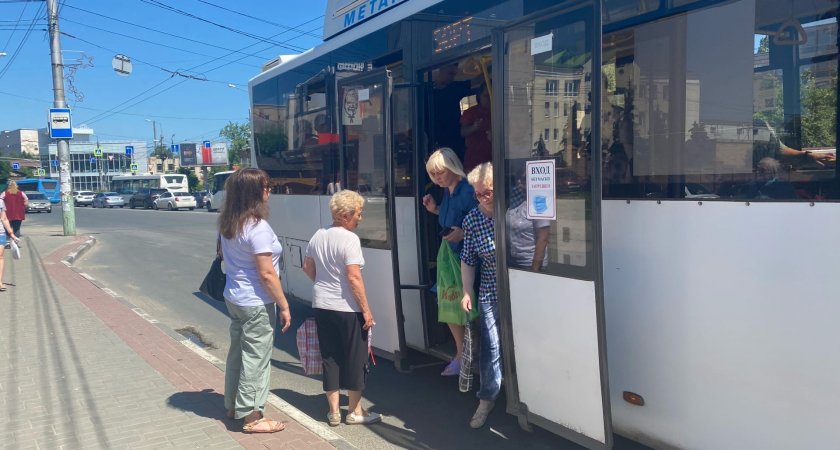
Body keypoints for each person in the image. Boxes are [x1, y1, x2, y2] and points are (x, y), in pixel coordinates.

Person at [218, 168, 292, 434]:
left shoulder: (229, 222)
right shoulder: (258, 226)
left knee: (238, 352)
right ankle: (253, 417)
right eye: (266, 186)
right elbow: (266, 273)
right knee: (256, 358)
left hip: (234, 297)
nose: (269, 190)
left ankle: (233, 405)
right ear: (254, 192)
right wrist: (283, 304)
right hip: (255, 301)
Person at [302, 190, 380, 427]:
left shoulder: (318, 235)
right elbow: (354, 277)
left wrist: (323, 285)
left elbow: (307, 266)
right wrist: (366, 310)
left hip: (322, 305)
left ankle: (334, 412)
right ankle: (355, 411)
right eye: (358, 213)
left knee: (331, 357)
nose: (360, 218)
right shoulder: (349, 239)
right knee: (356, 358)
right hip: (347, 307)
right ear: (346, 215)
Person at [421, 148, 477, 377]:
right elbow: (450, 217)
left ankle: (467, 355)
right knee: (449, 303)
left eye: (440, 172)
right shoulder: (448, 191)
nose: (437, 178)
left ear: (453, 167)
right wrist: (435, 210)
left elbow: (482, 219)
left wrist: (463, 233)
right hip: (450, 255)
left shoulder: (467, 190)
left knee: (464, 306)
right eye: (433, 174)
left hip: (465, 256)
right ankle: (462, 353)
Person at [460, 162, 501, 429]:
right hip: (490, 289)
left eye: (487, 192)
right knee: (492, 346)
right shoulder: (472, 219)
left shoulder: (516, 206)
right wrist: (466, 291)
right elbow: (468, 259)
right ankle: (487, 398)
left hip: (523, 286)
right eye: (478, 194)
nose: (482, 198)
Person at [506, 170, 550, 271]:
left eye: (524, 179)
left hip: (530, 264)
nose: (519, 181)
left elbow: (543, 238)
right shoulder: (515, 198)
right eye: (519, 178)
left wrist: (534, 269)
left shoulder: (538, 202)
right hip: (512, 262)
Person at [432, 63, 473, 161]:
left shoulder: (455, 88)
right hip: (432, 142)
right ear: (441, 69)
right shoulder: (425, 90)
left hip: (455, 141)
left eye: (454, 75)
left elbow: (475, 81)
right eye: (451, 74)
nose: (452, 78)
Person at [460, 84, 492, 173]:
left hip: (496, 159)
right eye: (487, 96)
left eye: (492, 95)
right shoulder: (471, 112)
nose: (490, 99)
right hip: (475, 160)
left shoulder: (501, 111)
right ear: (479, 96)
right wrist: (474, 127)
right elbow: (462, 132)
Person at [0, 195, 21, 292]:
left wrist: (12, 234)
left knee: (0, 256)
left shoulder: (0, 202)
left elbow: (4, 219)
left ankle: (0, 282)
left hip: (0, 233)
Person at [1, 181, 27, 246]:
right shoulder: (21, 193)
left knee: (7, 228)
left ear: (8, 186)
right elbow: (26, 201)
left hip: (7, 214)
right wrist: (23, 205)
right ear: (16, 186)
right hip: (19, 214)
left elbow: (0, 201)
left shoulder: (5, 193)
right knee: (17, 229)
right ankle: (16, 242)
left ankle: (7, 243)